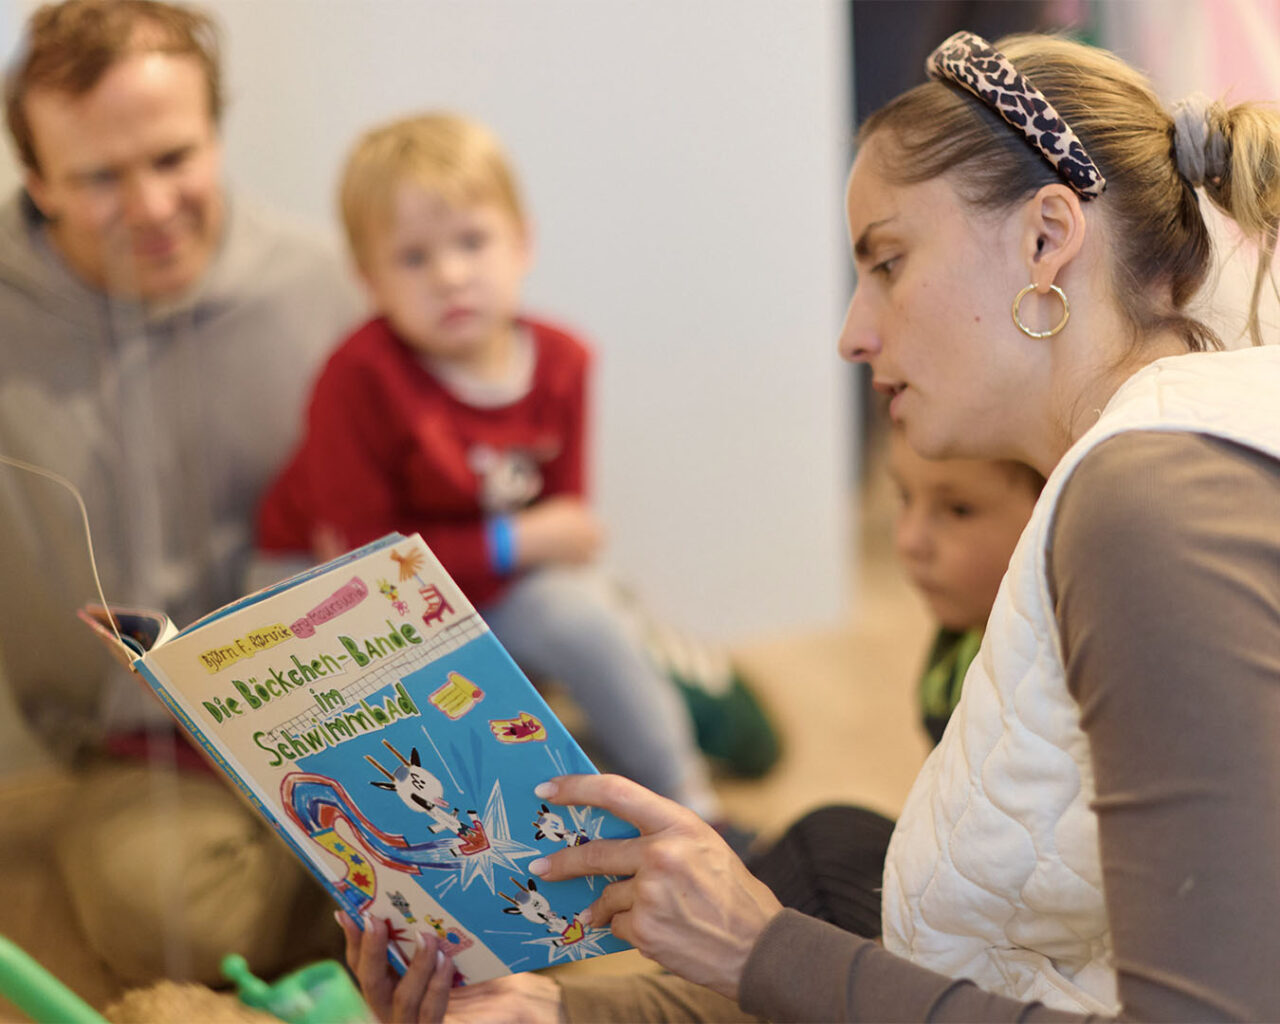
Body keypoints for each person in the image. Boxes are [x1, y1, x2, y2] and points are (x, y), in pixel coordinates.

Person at [347, 28, 1280, 1022]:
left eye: (886, 263)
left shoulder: (1143, 503)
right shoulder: (1147, 459)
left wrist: (759, 946)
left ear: (1045, 237)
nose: (852, 333)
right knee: (834, 851)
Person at [0, 0, 363, 987]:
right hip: (138, 746)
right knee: (163, 922)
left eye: (172, 158)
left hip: (333, 694)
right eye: (100, 178)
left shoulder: (323, 285)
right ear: (35, 179)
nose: (152, 207)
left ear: (215, 131)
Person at [255, 111, 740, 822]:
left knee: (587, 614)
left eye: (472, 242)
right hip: (330, 590)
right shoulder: (356, 378)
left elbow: (567, 529)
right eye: (414, 258)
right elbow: (367, 572)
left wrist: (534, 552)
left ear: (522, 244)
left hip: (460, 579)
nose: (450, 275)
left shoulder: (564, 360)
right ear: (369, 279)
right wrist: (517, 543)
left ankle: (693, 809)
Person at [885, 425, 1043, 744]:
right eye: (905, 497)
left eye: (958, 510)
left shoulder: (1049, 690)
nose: (909, 541)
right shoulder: (958, 643)